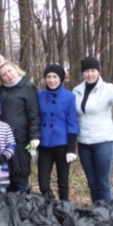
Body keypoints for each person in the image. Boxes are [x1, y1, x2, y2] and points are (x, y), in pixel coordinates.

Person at [73, 56, 113, 203]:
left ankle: (108, 218)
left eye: (93, 70)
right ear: (82, 73)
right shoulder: (76, 91)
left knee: (103, 183)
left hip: (103, 142)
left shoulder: (107, 89)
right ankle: (97, 214)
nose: (90, 74)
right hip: (83, 143)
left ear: (99, 72)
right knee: (92, 183)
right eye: (86, 71)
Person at [0, 58, 41, 192]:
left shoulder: (28, 87)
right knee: (5, 180)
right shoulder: (0, 90)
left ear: (15, 69)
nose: (8, 76)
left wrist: (34, 138)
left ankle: (22, 209)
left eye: (9, 71)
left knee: (20, 177)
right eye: (3, 75)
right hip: (2, 141)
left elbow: (34, 114)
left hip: (21, 139)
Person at [37, 64, 79, 201]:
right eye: (48, 77)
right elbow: (34, 120)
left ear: (61, 78)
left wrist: (72, 148)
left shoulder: (69, 97)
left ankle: (64, 210)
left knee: (63, 182)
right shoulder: (39, 95)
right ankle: (52, 205)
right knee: (43, 184)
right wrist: (31, 147)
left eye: (55, 77)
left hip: (62, 145)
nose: (51, 80)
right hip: (44, 146)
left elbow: (72, 122)